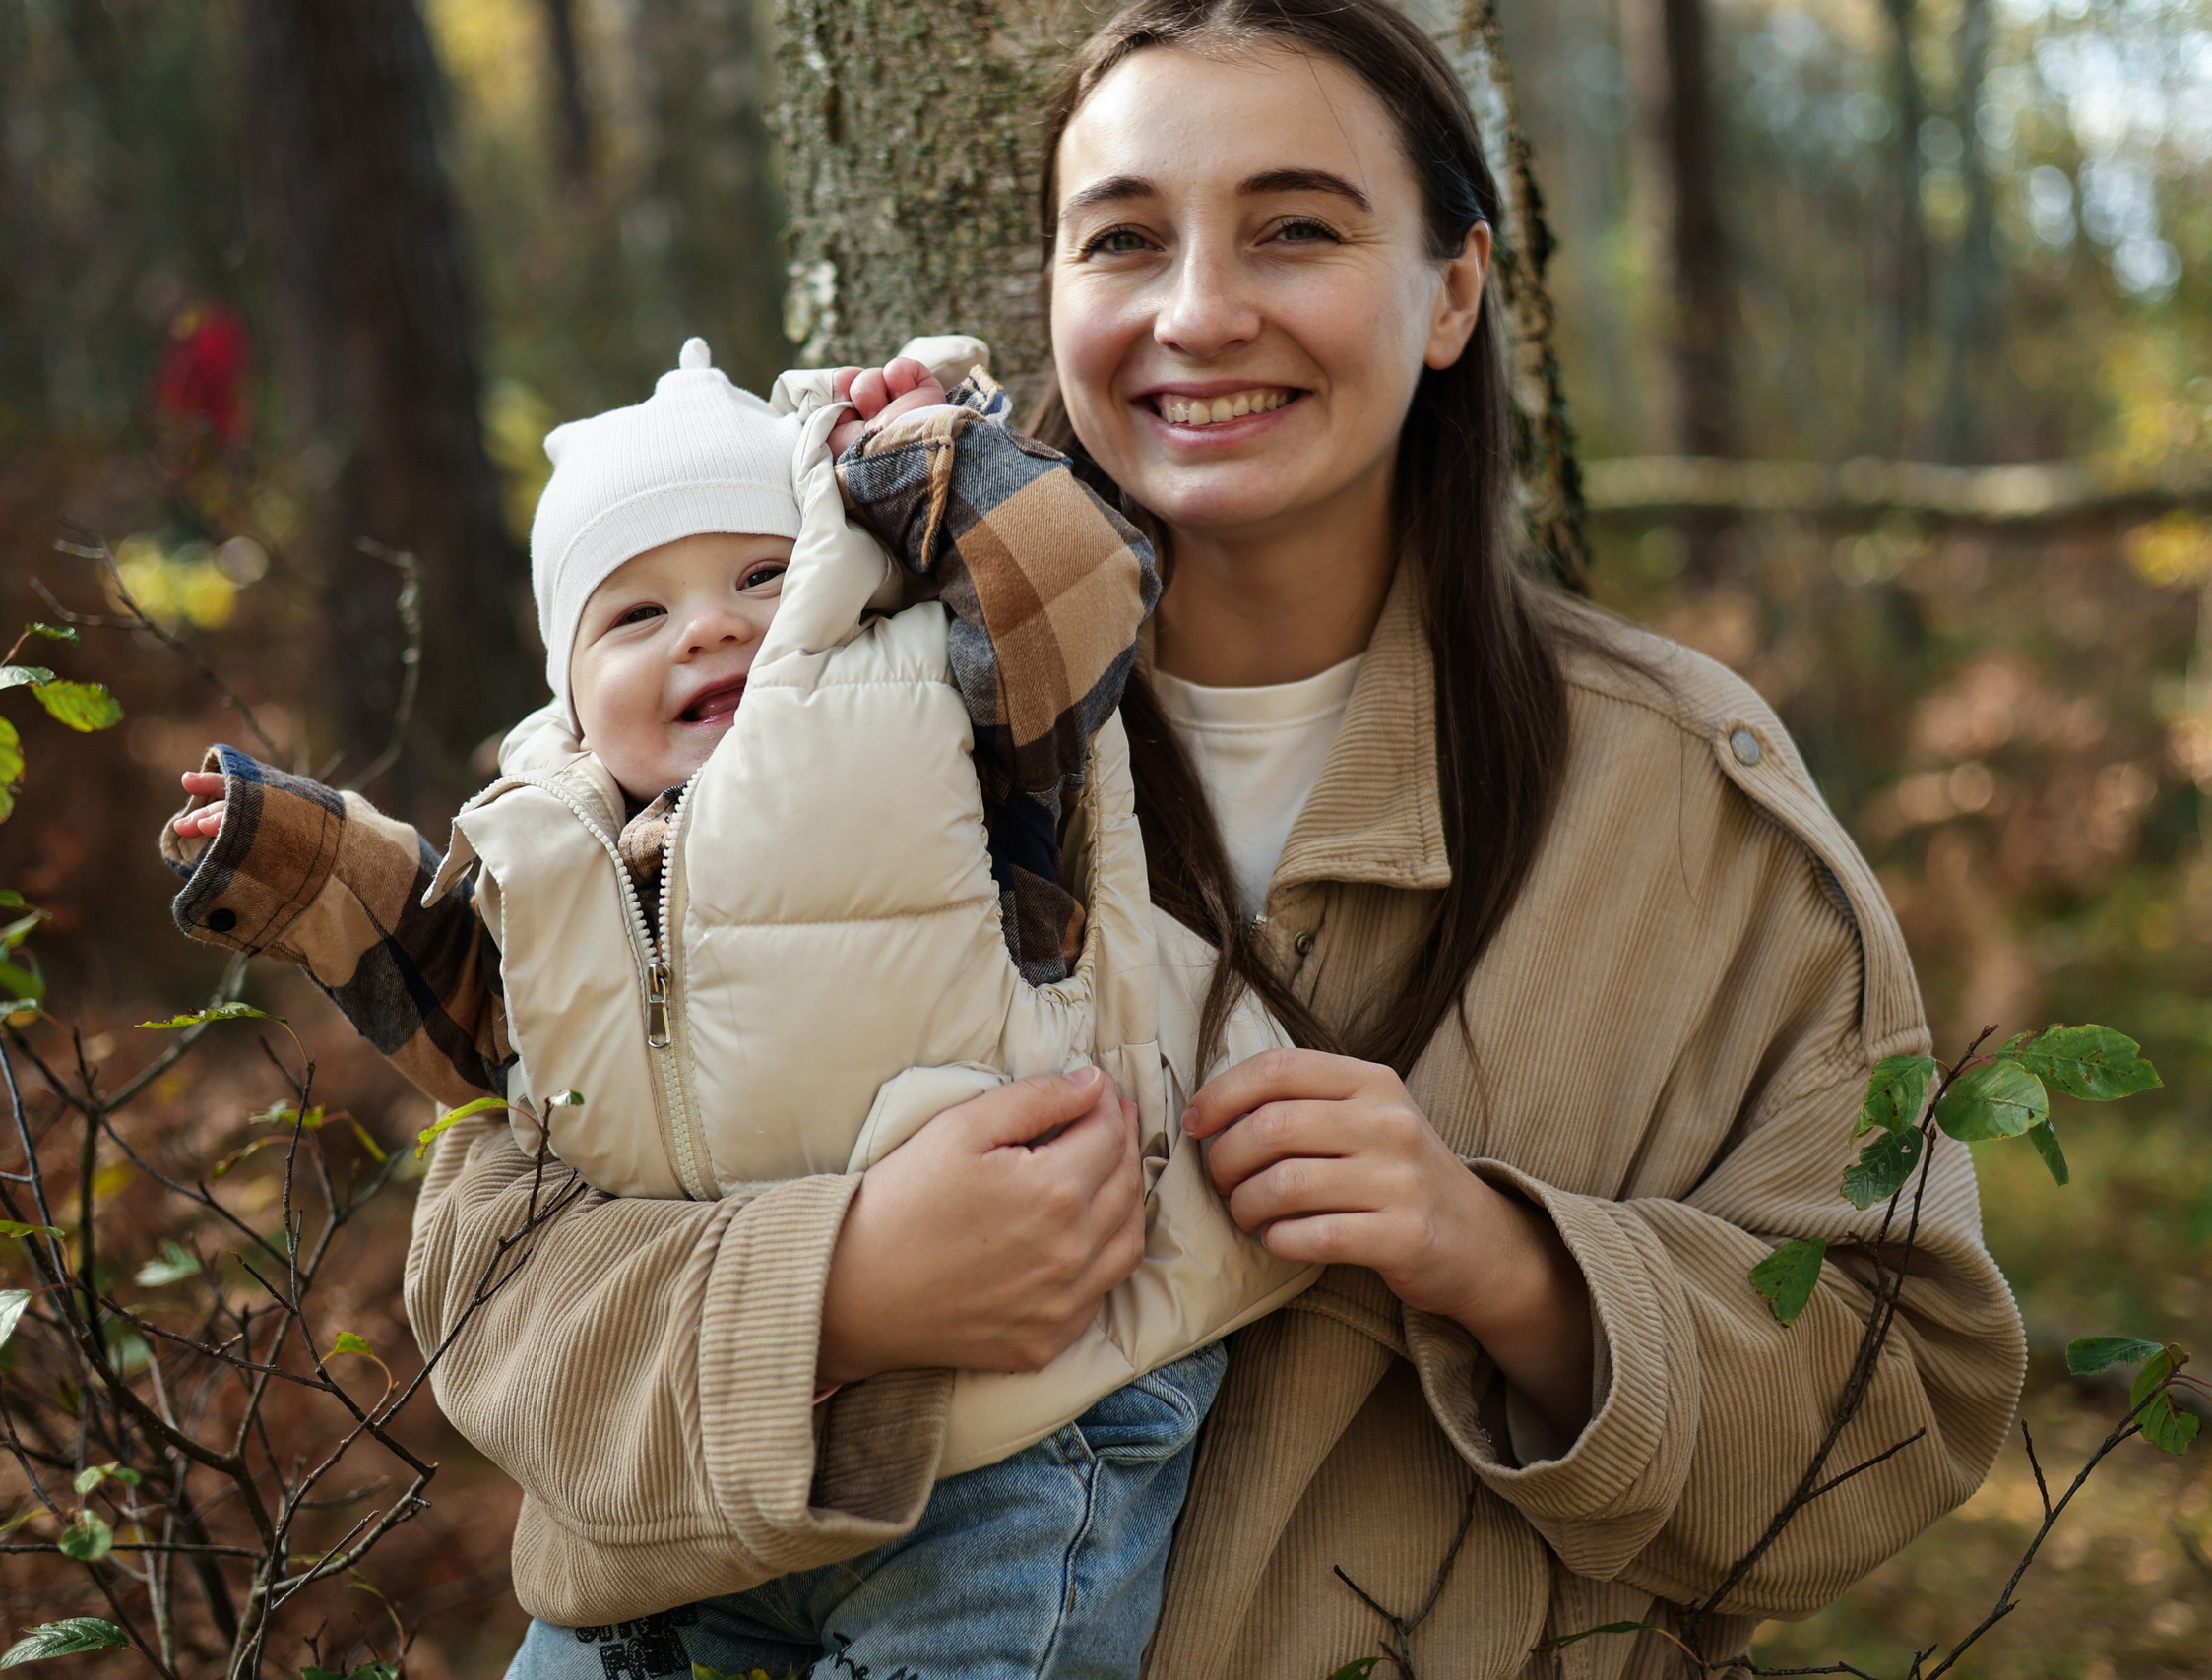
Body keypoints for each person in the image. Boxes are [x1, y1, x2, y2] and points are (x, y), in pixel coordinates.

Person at [197, 0, 2029, 1672]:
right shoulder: (802, 707)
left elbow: (1902, 1398)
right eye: (1127, 239)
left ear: (1456, 290)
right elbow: (501, 1278)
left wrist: (1506, 1264)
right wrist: (840, 1290)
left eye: (1297, 229)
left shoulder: (1676, 798)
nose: (1200, 312)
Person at [161, 335, 1316, 1678]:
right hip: (707, 1469)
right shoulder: (563, 851)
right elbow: (465, 1010)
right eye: (635, 616)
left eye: (764, 576)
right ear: (569, 697)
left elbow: (1080, 592)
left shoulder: (936, 725)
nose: (707, 627)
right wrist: (309, 866)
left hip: (1013, 1441)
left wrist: (932, 472)